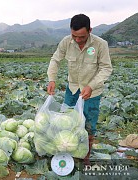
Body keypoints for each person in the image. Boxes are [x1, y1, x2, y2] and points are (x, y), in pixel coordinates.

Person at [47, 14, 113, 164]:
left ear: (90, 30)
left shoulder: (100, 44)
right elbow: (55, 60)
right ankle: (68, 151)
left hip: (92, 92)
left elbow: (106, 68)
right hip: (73, 89)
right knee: (66, 121)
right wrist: (52, 79)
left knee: (89, 124)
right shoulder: (66, 42)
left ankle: (86, 156)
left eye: (81, 37)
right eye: (74, 36)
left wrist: (91, 86)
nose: (77, 40)